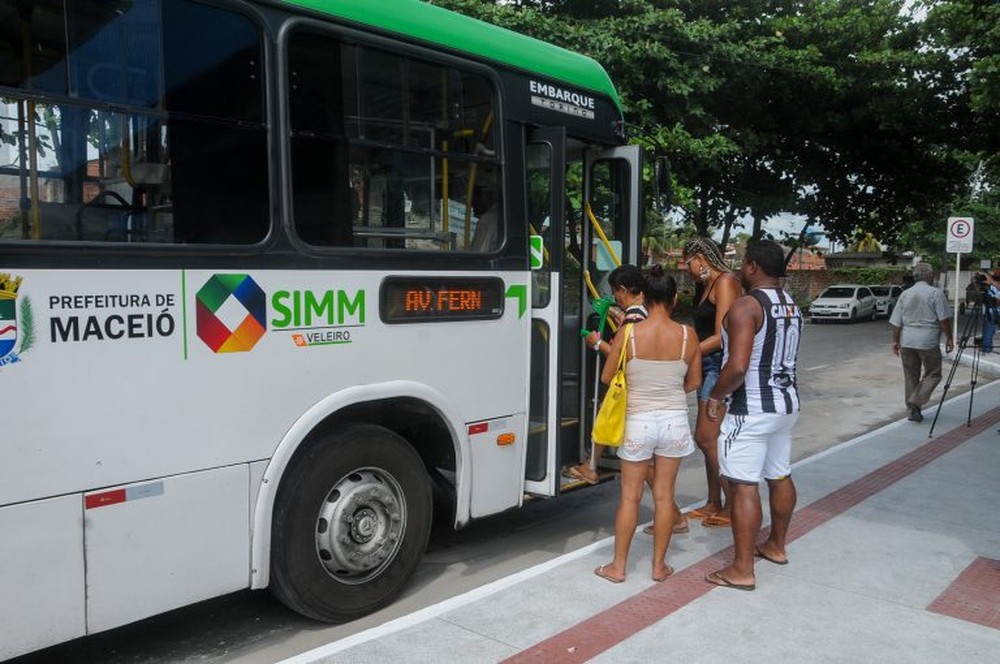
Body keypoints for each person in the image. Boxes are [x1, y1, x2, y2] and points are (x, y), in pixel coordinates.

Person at [703, 240, 802, 592]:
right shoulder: (791, 304)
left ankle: (742, 569)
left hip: (752, 408)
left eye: (744, 263)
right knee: (779, 474)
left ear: (753, 266)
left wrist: (716, 396)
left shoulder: (747, 306)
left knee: (743, 484)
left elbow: (738, 366)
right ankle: (776, 545)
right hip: (785, 404)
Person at [594, 266, 701, 583]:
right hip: (674, 422)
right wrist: (669, 390)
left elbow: (607, 376)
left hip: (638, 421)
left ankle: (618, 567)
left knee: (630, 496)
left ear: (645, 297)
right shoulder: (688, 335)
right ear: (674, 298)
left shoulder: (629, 333)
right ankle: (658, 567)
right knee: (664, 496)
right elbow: (694, 381)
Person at [565, 264, 649, 486]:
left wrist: (597, 343)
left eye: (615, 293)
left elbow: (621, 356)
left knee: (641, 461)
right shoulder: (641, 312)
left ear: (623, 290)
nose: (615, 298)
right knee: (605, 421)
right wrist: (616, 313)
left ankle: (667, 502)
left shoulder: (633, 319)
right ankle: (591, 465)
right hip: (635, 386)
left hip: (627, 386)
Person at [679, 236, 742, 528]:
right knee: (709, 440)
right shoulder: (706, 286)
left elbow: (721, 337)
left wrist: (685, 352)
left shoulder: (725, 282)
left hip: (717, 365)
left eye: (687, 263)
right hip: (705, 365)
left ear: (701, 258)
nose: (686, 269)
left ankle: (734, 506)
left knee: (707, 437)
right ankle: (714, 501)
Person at [888, 263, 954, 423]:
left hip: (907, 340)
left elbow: (897, 322)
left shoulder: (905, 294)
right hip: (928, 341)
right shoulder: (936, 293)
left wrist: (895, 340)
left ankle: (913, 411)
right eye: (933, 274)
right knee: (933, 373)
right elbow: (943, 320)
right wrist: (949, 337)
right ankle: (916, 400)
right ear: (929, 276)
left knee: (911, 376)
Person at [978, 272, 999, 354]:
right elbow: (981, 297)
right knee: (988, 330)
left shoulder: (995, 287)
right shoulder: (989, 287)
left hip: (993, 311)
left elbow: (997, 301)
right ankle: (986, 348)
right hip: (990, 311)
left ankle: (986, 348)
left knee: (988, 331)